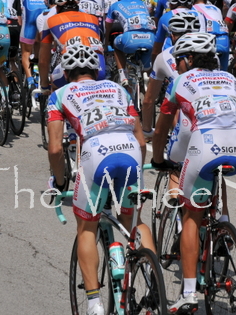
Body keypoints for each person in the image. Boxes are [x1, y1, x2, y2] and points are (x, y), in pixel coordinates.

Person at [46, 44, 152, 315]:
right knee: (134, 220)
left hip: (96, 155)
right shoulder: (119, 89)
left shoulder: (59, 95)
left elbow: (56, 148)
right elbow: (141, 141)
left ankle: (94, 303)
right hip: (129, 151)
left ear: (67, 72)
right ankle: (153, 282)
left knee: (87, 227)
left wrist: (59, 183)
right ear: (96, 70)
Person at [152, 33, 236, 313]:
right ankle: (224, 226)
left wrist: (160, 159)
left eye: (180, 60)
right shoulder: (229, 78)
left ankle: (189, 292)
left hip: (206, 145)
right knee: (215, 174)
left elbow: (162, 128)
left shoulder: (181, 81)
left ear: (189, 59)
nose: (178, 65)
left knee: (191, 214)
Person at [104, 0, 156, 87]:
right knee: (146, 69)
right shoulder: (142, 3)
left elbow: (107, 27)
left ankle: (122, 76)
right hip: (151, 38)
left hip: (130, 38)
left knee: (116, 45)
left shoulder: (115, 5)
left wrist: (105, 44)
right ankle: (145, 81)